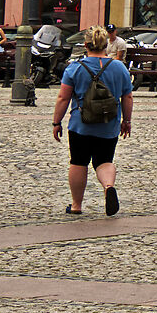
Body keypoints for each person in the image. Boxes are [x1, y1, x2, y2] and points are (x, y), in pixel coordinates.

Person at [53, 27, 132, 216]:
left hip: (81, 124)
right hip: (109, 123)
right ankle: (108, 186)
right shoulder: (119, 67)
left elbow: (63, 98)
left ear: (86, 45)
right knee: (104, 160)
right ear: (106, 44)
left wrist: (57, 122)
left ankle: (76, 205)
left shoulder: (74, 67)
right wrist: (126, 121)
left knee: (79, 162)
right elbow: (127, 97)